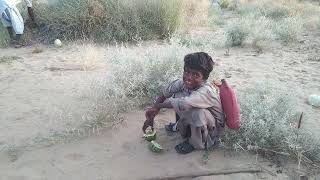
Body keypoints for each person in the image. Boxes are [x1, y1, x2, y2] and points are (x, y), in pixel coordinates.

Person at [142, 52, 225, 154]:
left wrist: (157, 106)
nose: (189, 77)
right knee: (178, 95)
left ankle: (196, 144)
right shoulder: (183, 83)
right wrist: (154, 112)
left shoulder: (206, 91)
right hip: (198, 123)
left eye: (195, 75)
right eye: (187, 72)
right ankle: (179, 126)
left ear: (204, 78)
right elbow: (165, 93)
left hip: (212, 131)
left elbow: (183, 103)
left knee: (197, 111)